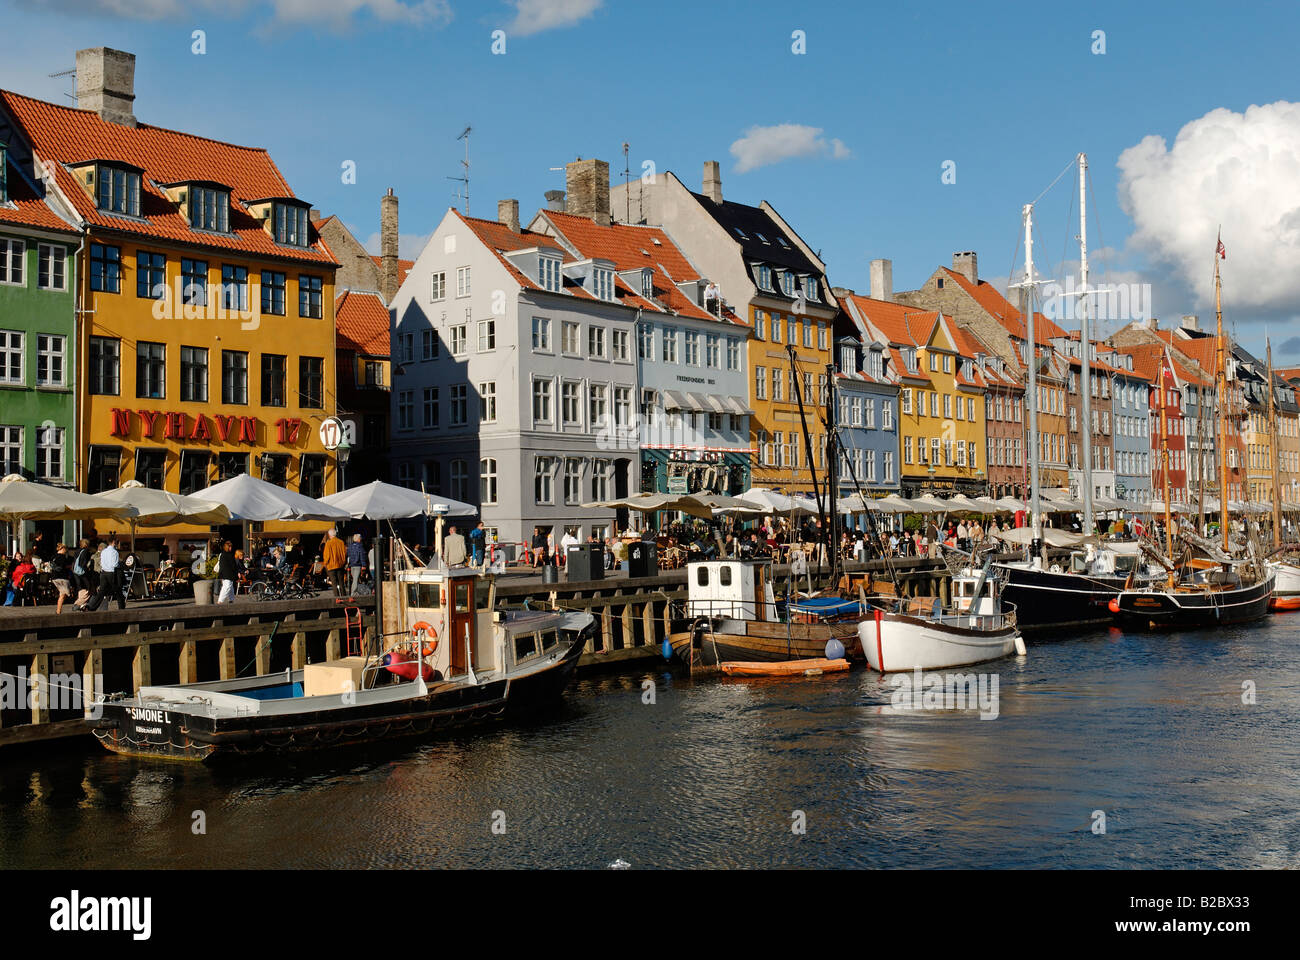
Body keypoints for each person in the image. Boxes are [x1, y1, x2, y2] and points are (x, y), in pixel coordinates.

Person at [97, 537, 126, 610]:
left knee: (101, 592)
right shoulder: (114, 552)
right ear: (114, 542)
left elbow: (102, 563)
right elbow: (115, 564)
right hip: (112, 573)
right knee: (118, 591)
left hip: (103, 573)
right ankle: (121, 608)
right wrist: (120, 565)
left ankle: (92, 606)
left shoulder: (104, 551)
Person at [48, 543, 73, 613]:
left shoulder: (53, 556)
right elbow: (64, 567)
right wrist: (70, 567)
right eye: (66, 549)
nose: (66, 551)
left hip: (54, 577)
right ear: (63, 549)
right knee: (63, 594)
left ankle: (58, 609)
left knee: (62, 593)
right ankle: (58, 610)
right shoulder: (63, 557)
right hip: (62, 577)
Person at [322, 529, 347, 596]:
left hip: (331, 566)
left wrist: (325, 564)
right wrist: (343, 562)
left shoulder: (329, 543)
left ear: (329, 535)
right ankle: (344, 596)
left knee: (334, 583)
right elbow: (344, 554)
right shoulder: (341, 542)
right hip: (340, 565)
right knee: (341, 582)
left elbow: (326, 556)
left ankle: (337, 597)